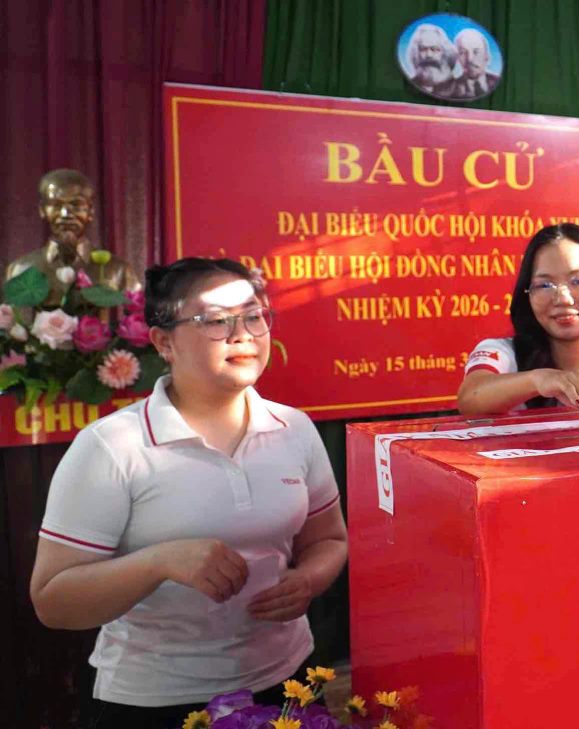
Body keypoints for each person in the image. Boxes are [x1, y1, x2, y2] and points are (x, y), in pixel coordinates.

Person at [29, 258, 348, 729]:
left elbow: (329, 540)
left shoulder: (293, 429)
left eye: (254, 315)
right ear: (164, 342)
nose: (243, 334)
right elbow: (53, 601)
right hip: (157, 700)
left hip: (287, 681)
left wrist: (309, 581)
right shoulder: (112, 447)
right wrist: (160, 561)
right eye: (216, 321)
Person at [457, 223, 579, 432]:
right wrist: (541, 379)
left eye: (577, 281)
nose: (562, 298)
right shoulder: (502, 353)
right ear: (528, 294)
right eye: (544, 285)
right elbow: (469, 399)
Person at [5, 169, 139, 305]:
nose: (65, 214)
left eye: (76, 205)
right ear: (42, 210)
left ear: (91, 210)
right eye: (56, 205)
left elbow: (138, 317)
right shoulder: (20, 269)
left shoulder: (119, 271)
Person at [404, 23, 457, 97]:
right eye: (423, 49)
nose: (429, 55)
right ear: (416, 54)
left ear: (445, 53)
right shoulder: (408, 85)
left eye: (434, 49)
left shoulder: (459, 88)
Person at [450, 28, 501, 100]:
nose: (469, 59)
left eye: (476, 52)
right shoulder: (451, 89)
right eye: (463, 52)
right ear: (458, 58)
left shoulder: (500, 83)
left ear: (487, 57)